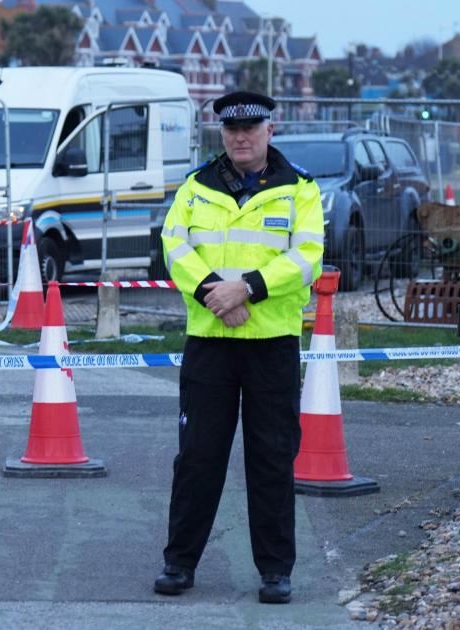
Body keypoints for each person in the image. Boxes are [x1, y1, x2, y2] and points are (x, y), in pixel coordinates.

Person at [154, 91, 325, 603]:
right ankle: (178, 564)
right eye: (232, 131)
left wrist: (246, 287)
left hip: (271, 342)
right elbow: (173, 245)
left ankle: (275, 571)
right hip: (211, 340)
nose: (241, 138)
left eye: (251, 128)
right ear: (221, 134)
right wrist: (216, 293)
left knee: (271, 459)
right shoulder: (195, 187)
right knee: (198, 458)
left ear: (270, 130)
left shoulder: (300, 190)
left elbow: (307, 258)